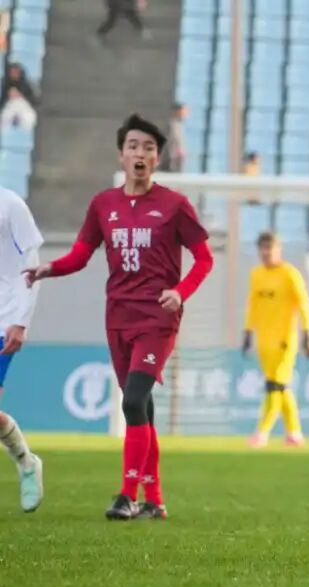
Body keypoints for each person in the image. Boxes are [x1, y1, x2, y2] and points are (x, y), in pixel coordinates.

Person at [24, 114, 214, 521]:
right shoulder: (103, 204)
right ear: (121, 155)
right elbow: (81, 253)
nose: (140, 153)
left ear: (157, 158)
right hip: (118, 317)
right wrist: (48, 269)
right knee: (142, 408)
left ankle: (127, 495)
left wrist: (180, 292)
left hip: (157, 319)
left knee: (132, 401)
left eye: (148, 147)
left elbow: (204, 258)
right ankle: (155, 501)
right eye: (133, 146)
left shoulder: (175, 205)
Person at [244, 232, 309, 448]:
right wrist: (248, 333)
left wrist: (308, 334)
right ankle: (295, 433)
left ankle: (262, 433)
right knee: (282, 387)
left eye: (270, 248)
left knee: (273, 385)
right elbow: (253, 306)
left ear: (278, 250)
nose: (266, 253)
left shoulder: (290, 274)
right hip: (264, 342)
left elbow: (304, 305)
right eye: (263, 249)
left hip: (285, 341)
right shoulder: (256, 275)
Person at [0, 185, 44, 513]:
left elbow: (32, 264)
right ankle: (26, 461)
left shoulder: (10, 205)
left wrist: (21, 321)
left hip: (3, 319)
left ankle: (27, 463)